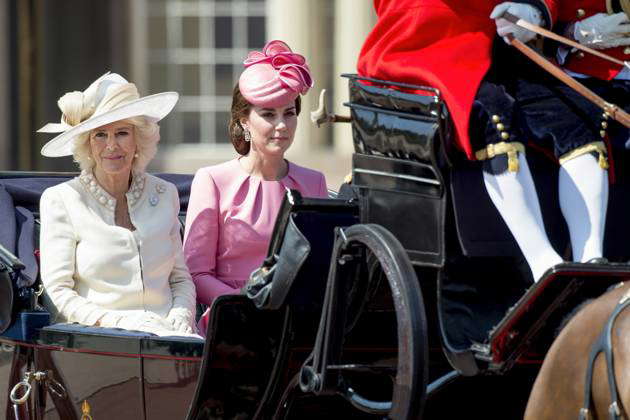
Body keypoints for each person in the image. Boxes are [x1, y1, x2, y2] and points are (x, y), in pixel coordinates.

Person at [358, 1, 611, 282]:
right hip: (425, 42)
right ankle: (543, 262)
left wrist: (533, 9)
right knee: (494, 120)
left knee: (576, 119)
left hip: (495, 44)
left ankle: (590, 258)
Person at [184, 40, 328, 334]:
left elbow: (321, 269)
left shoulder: (314, 182)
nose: (282, 125)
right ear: (244, 121)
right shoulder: (212, 180)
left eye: (289, 113)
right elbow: (196, 274)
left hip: (298, 327)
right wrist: (245, 304)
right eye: (268, 114)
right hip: (232, 326)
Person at [38, 72, 197, 336]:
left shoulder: (165, 193)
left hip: (171, 339)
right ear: (87, 145)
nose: (112, 145)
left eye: (122, 133)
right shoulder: (62, 199)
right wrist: (121, 324)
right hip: (99, 342)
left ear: (138, 139)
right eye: (100, 135)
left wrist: (182, 314)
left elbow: (180, 279)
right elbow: (58, 292)